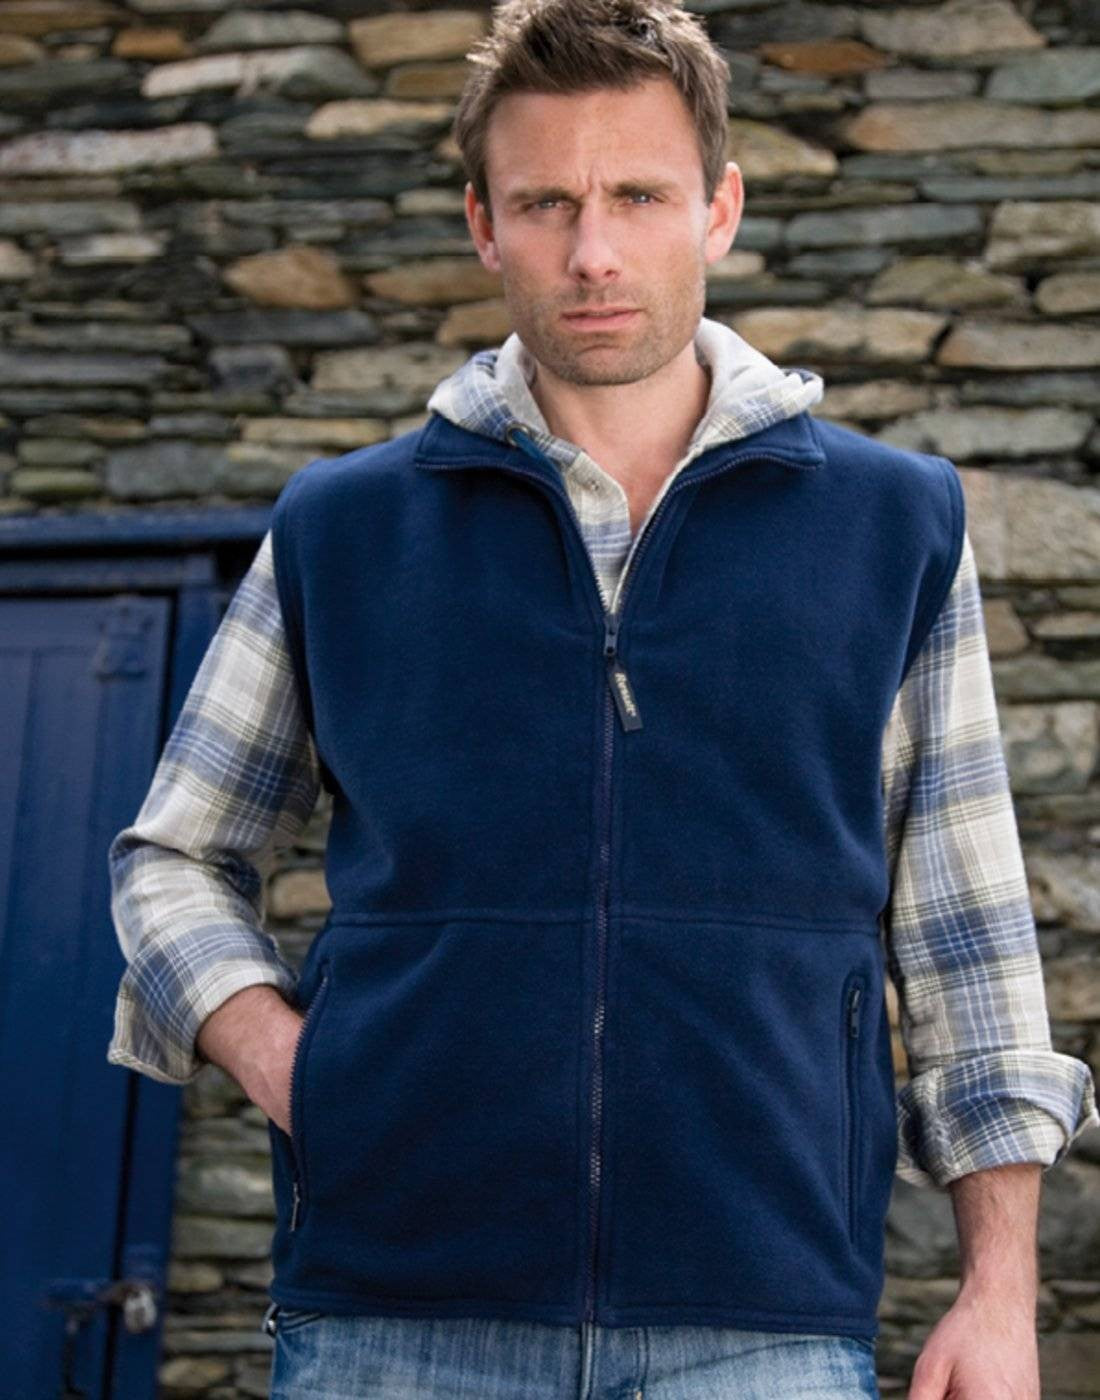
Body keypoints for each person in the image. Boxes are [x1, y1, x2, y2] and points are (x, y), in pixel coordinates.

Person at [105, 1, 1098, 1397]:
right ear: (483, 224)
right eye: (546, 204)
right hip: (395, 1321)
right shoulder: (343, 528)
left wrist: (1000, 1291)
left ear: (719, 210)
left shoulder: (892, 526)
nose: (593, 253)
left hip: (761, 1321)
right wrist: (290, 1062)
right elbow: (174, 857)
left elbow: (967, 935)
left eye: (637, 196)